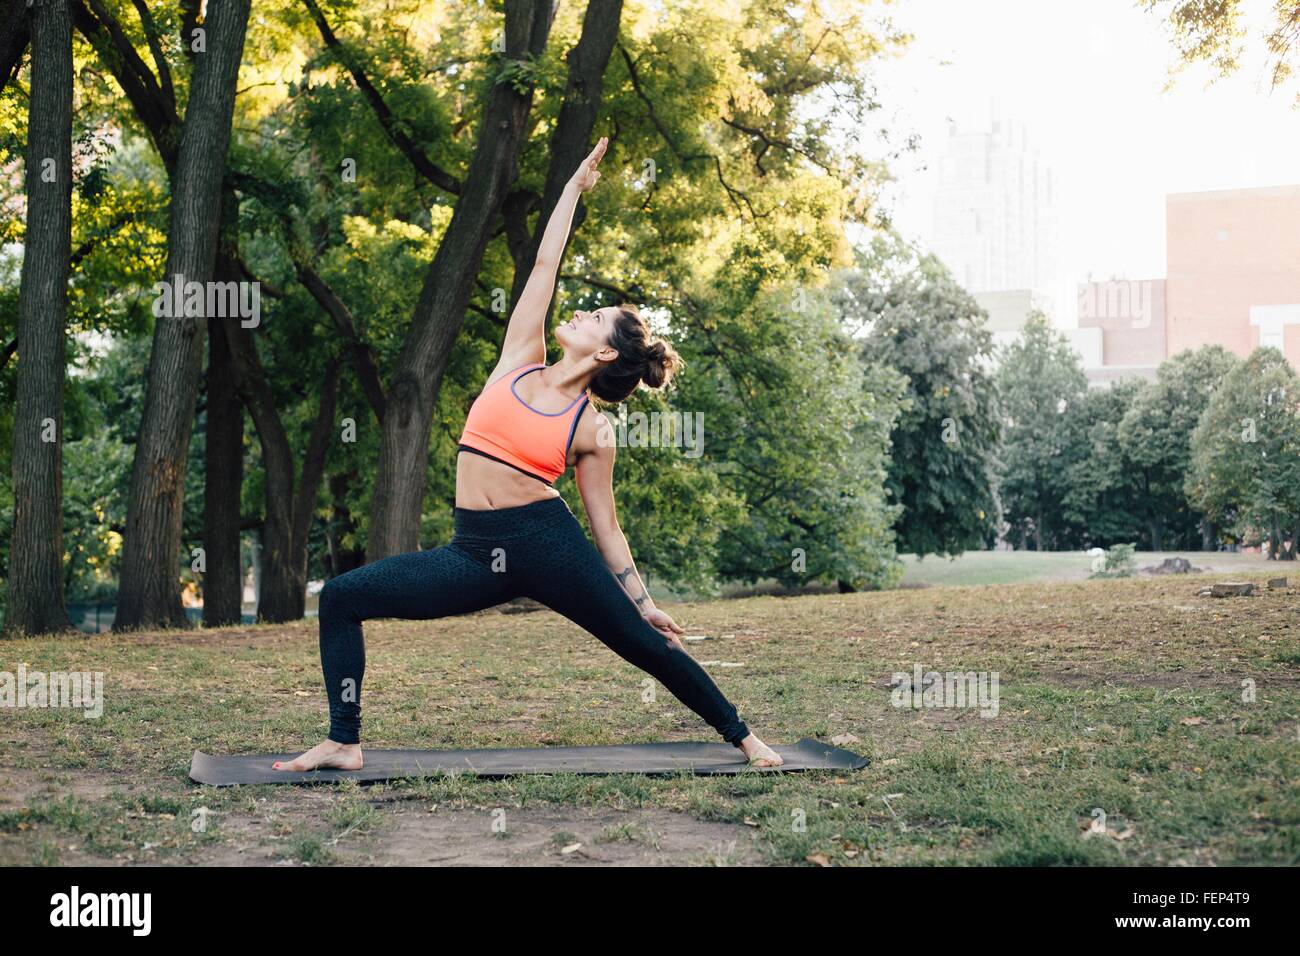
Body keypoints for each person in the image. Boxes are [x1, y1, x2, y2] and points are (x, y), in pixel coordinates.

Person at [275, 137, 783, 772]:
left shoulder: (593, 430)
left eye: (595, 316)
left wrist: (639, 595)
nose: (580, 311)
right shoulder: (520, 357)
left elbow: (607, 525)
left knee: (639, 641)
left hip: (546, 543)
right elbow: (545, 266)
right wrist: (572, 191)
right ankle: (343, 741)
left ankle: (745, 738)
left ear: (603, 353)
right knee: (342, 596)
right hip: (472, 551)